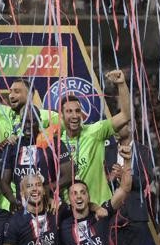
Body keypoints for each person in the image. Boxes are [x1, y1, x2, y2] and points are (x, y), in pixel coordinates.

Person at [55, 69, 131, 206]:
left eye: (78, 111)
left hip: (100, 208)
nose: (74, 115)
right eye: (69, 111)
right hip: (72, 212)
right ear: (61, 116)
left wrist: (122, 84)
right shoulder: (56, 142)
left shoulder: (95, 131)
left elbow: (125, 115)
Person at [104, 125, 155, 245]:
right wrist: (111, 178)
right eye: (115, 125)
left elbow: (147, 180)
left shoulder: (143, 151)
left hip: (135, 214)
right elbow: (101, 180)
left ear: (132, 126)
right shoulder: (107, 151)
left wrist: (125, 177)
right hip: (112, 214)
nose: (117, 127)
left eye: (122, 124)